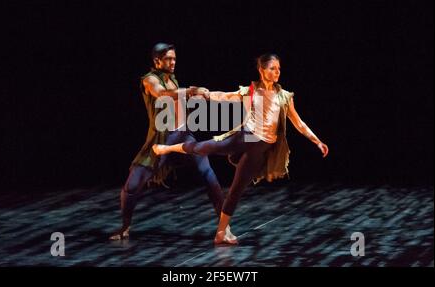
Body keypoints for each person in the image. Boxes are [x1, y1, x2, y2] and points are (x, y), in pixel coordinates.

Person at [153, 53, 329, 244]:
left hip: (259, 149)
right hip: (245, 137)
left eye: (278, 68)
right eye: (272, 68)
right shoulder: (251, 91)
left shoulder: (285, 96)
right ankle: (166, 149)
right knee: (204, 147)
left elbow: (298, 122)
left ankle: (221, 233)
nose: (277, 72)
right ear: (261, 70)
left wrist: (317, 141)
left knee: (236, 190)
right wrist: (205, 94)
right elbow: (227, 96)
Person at [109, 43, 236, 240]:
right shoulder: (150, 80)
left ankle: (224, 227)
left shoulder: (173, 80)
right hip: (162, 139)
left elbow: (177, 103)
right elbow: (161, 94)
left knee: (207, 173)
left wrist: (196, 100)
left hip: (183, 135)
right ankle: (125, 226)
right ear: (156, 60)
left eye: (174, 58)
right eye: (168, 58)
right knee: (132, 185)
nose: (173, 62)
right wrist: (192, 90)